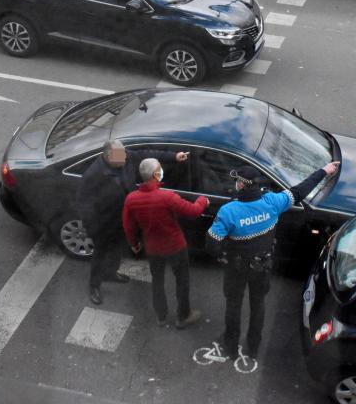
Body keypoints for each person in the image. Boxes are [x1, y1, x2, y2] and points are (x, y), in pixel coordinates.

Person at [204, 161, 340, 371]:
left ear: (241, 184)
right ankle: (253, 347)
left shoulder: (228, 211)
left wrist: (222, 255)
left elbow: (212, 243)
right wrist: (324, 170)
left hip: (236, 270)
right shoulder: (273, 202)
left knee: (233, 306)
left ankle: (231, 346)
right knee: (258, 306)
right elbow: (300, 190)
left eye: (237, 181)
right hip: (262, 267)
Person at [76, 139, 189, 305]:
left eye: (124, 155)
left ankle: (111, 273)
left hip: (121, 218)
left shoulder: (126, 157)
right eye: (120, 157)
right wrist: (93, 228)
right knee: (100, 255)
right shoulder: (93, 175)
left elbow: (147, 155)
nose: (125, 159)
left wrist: (173, 156)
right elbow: (84, 203)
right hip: (104, 224)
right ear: (107, 157)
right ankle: (94, 285)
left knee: (116, 249)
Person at [123, 158, 209, 328]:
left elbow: (129, 226)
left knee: (157, 281)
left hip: (153, 248)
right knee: (182, 281)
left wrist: (134, 244)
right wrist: (203, 201)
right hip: (175, 246)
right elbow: (193, 211)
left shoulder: (131, 199)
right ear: (156, 174)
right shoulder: (167, 197)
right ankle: (183, 316)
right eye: (160, 169)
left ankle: (161, 316)